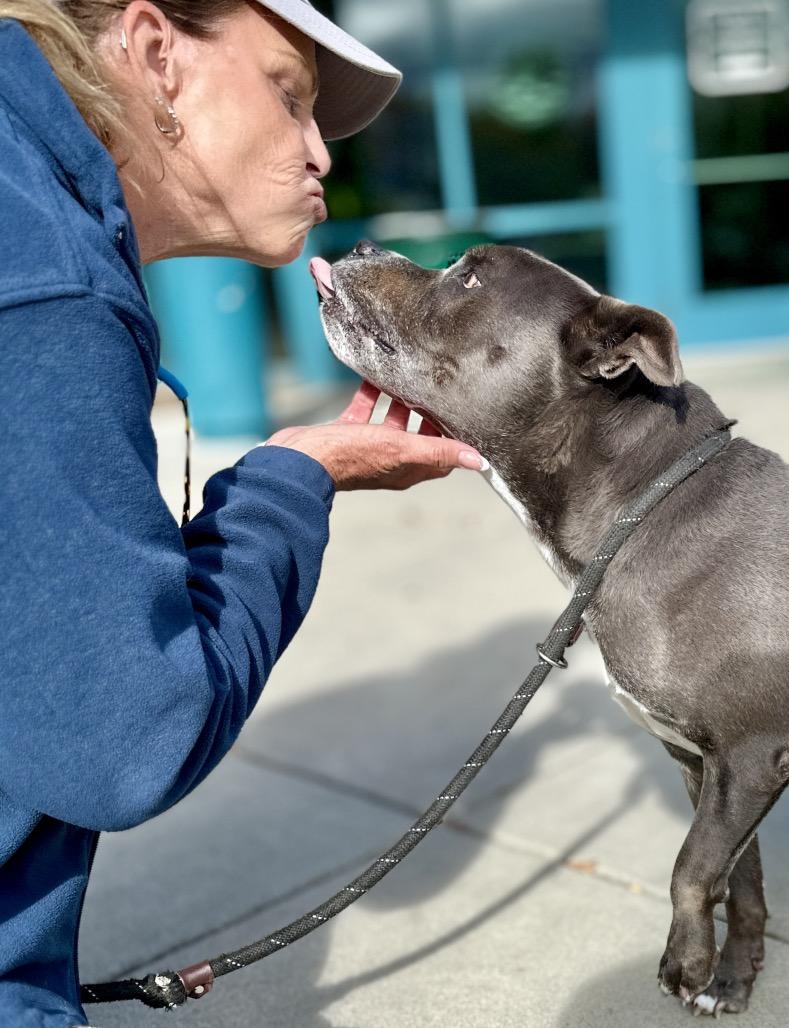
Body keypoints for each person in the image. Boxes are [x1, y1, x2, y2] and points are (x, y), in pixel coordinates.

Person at [0, 1, 487, 1024]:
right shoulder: (45, 281)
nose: (320, 152)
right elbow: (128, 737)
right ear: (153, 50)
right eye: (288, 93)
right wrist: (288, 478)